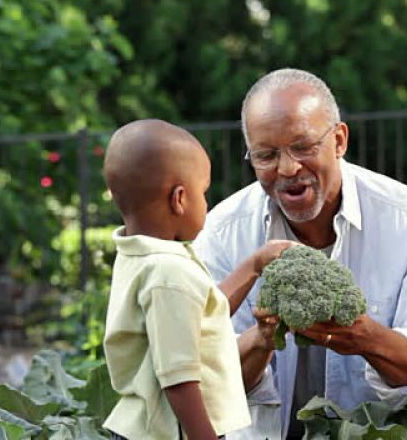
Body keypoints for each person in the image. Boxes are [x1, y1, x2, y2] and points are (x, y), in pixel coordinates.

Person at [192, 69, 407, 440]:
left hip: (376, 431)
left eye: (303, 147)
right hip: (264, 433)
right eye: (266, 155)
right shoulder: (221, 233)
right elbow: (203, 375)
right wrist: (262, 339)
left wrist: (367, 337)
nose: (288, 168)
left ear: (339, 140)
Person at [101, 119, 295, 440]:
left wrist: (255, 265)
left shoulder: (140, 256)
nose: (206, 202)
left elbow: (203, 314)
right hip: (172, 432)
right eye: (202, 192)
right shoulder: (168, 273)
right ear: (179, 199)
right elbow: (179, 378)